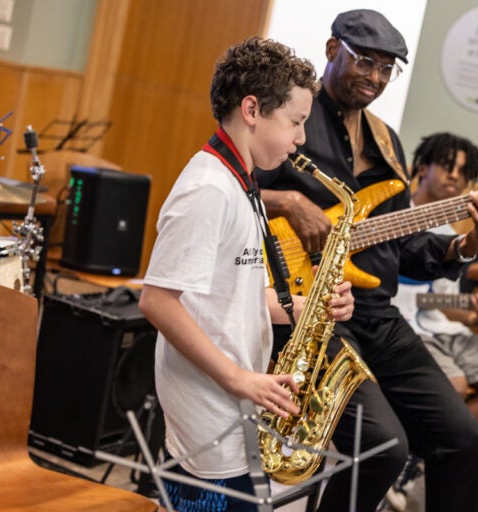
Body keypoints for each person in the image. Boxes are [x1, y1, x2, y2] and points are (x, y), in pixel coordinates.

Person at [257, 10, 478, 512]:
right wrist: (286, 201)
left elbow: (405, 249)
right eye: (364, 62)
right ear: (332, 51)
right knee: (383, 446)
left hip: (376, 313)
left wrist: (466, 246)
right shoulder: (290, 115)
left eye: (386, 68)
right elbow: (229, 188)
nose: (375, 78)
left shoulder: (387, 142)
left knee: (466, 439)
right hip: (312, 310)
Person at [137, 37, 355, 512]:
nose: (301, 138)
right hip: (209, 404)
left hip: (232, 399)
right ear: (252, 109)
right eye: (296, 122)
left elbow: (235, 295)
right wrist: (238, 379)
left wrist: (306, 308)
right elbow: (156, 302)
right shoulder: (208, 189)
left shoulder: (242, 182)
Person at [386, 132, 478, 510]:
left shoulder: (460, 238)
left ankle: (418, 461)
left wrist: (473, 312)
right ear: (422, 167)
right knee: (457, 384)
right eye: (447, 166)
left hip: (439, 326)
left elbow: (438, 303)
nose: (455, 178)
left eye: (464, 173)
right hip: (402, 327)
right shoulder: (391, 215)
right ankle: (424, 458)